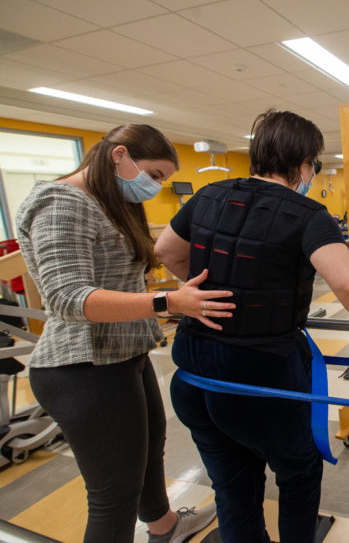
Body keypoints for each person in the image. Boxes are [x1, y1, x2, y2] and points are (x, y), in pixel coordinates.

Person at [154, 109, 349, 543]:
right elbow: (348, 285)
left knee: (232, 481)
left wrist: (205, 291)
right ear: (303, 164)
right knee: (298, 472)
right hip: (260, 378)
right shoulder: (307, 213)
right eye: (313, 165)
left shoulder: (207, 195)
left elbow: (166, 248)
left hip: (193, 373)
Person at [16, 124, 227, 543]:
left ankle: (165, 527)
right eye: (153, 175)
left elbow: (123, 281)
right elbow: (67, 298)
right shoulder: (61, 202)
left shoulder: (109, 202)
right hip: (82, 366)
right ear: (119, 155)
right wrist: (168, 304)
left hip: (123, 354)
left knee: (149, 455)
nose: (154, 186)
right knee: (115, 494)